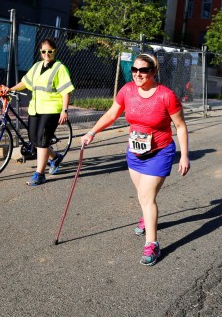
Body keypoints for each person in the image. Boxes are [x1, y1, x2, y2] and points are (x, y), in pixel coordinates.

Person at [81, 53, 190, 266]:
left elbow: (180, 126)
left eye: (143, 70)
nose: (138, 74)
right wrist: (92, 132)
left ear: (154, 72)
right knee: (142, 195)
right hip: (135, 151)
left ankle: (152, 244)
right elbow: (112, 114)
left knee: (147, 197)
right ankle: (146, 220)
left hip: (160, 152)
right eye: (135, 70)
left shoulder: (166, 96)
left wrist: (184, 156)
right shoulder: (127, 90)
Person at [5, 38, 75, 186]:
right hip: (35, 108)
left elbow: (66, 91)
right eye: (44, 51)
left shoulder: (60, 68)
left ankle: (40, 174)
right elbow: (25, 82)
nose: (47, 54)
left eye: (50, 51)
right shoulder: (36, 66)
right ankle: (54, 157)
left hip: (51, 109)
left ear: (54, 51)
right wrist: (10, 89)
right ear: (41, 52)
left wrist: (64, 110)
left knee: (42, 141)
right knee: (35, 140)